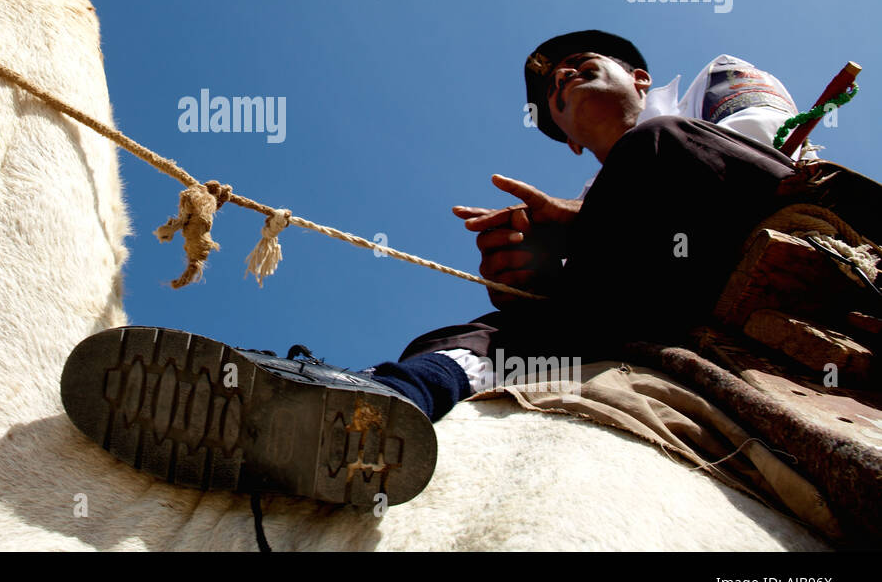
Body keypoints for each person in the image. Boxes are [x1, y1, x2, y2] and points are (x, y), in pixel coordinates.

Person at [61, 30, 811, 506]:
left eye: (584, 64)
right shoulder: (584, 194)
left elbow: (767, 161)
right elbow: (569, 295)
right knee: (487, 327)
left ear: (640, 77)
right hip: (660, 310)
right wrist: (518, 277)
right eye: (553, 94)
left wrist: (580, 222)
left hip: (764, 238)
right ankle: (377, 404)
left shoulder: (709, 85)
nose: (563, 79)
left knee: (658, 151)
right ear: (568, 141)